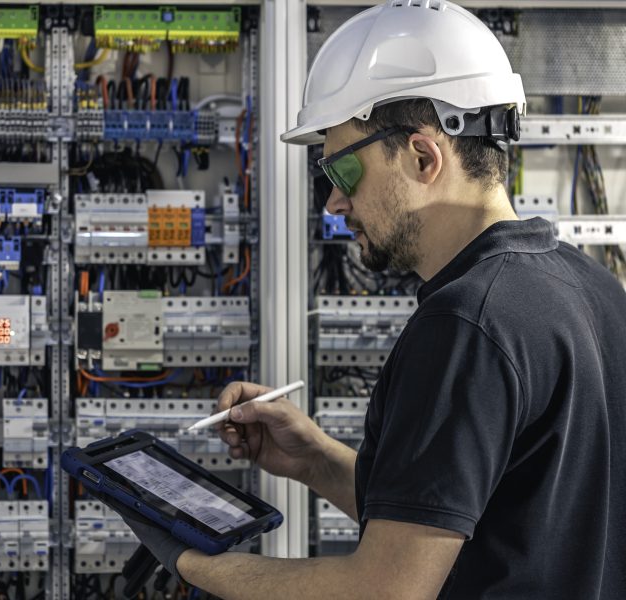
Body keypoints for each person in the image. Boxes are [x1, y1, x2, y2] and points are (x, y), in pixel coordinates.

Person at [107, 2, 626, 598]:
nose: (333, 202)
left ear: (423, 156)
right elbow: (466, 518)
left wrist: (191, 561)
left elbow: (383, 589)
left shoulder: (467, 326)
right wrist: (316, 461)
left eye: (343, 172)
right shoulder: (589, 287)